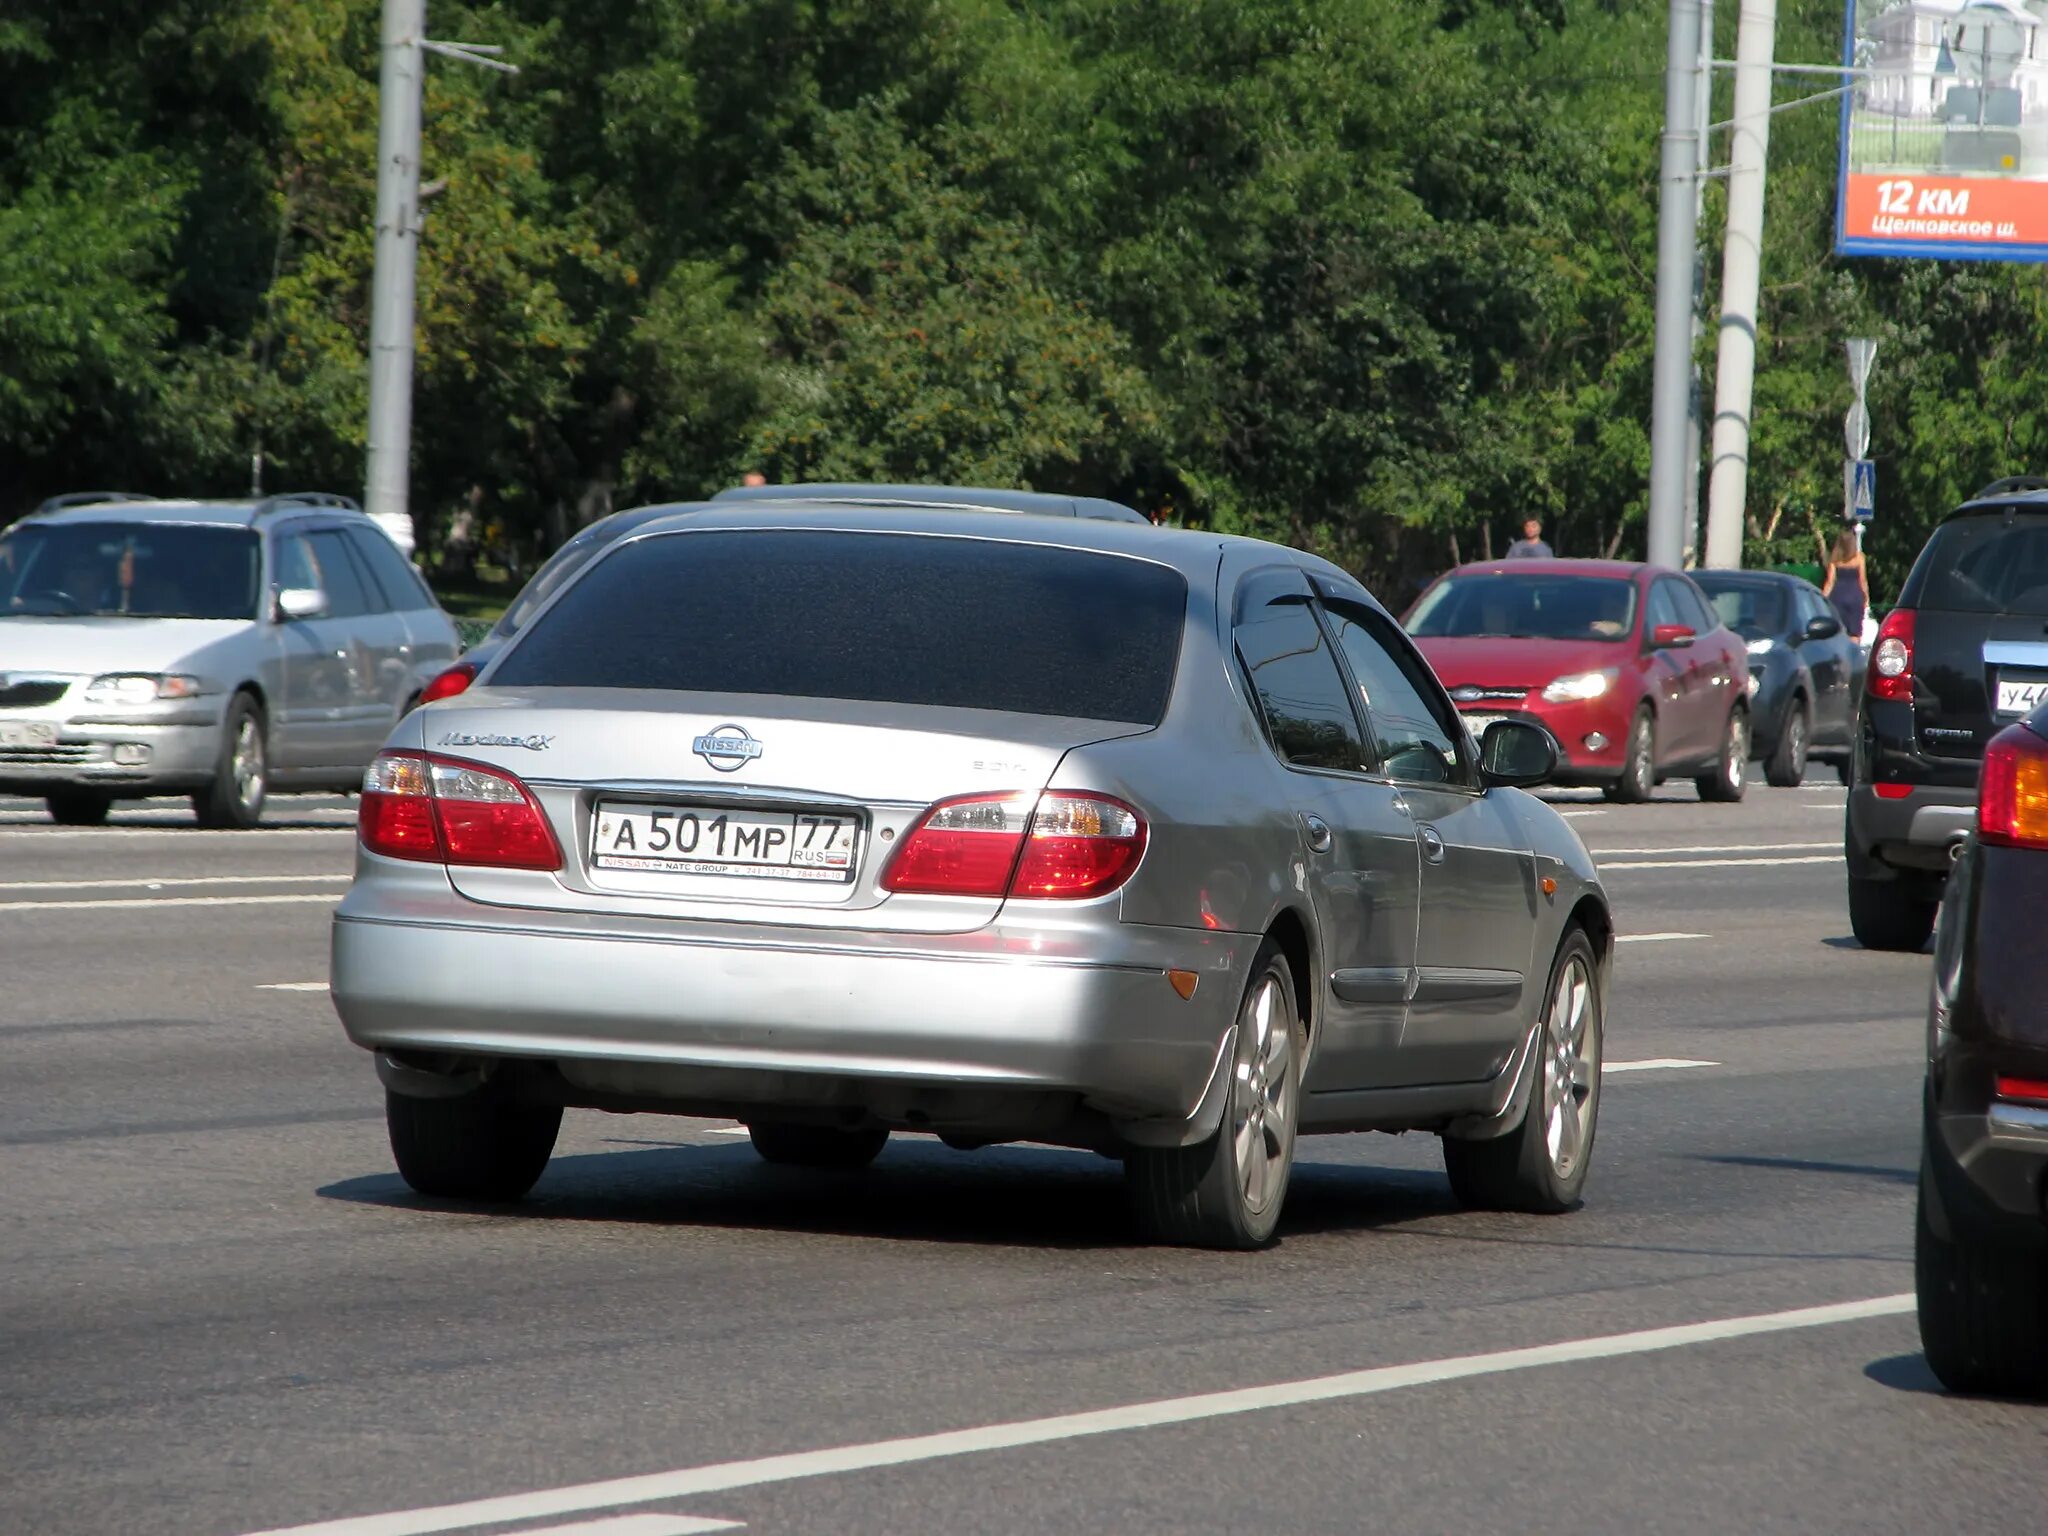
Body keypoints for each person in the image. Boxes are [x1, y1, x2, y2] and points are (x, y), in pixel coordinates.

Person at [1821, 527, 1868, 641]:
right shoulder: (1859, 557)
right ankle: (1853, 656)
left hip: (1837, 596)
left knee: (1838, 631)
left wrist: (1822, 599)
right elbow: (1862, 580)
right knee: (1855, 632)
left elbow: (1830, 582)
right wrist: (1866, 597)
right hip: (1855, 595)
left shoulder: (1835, 560)